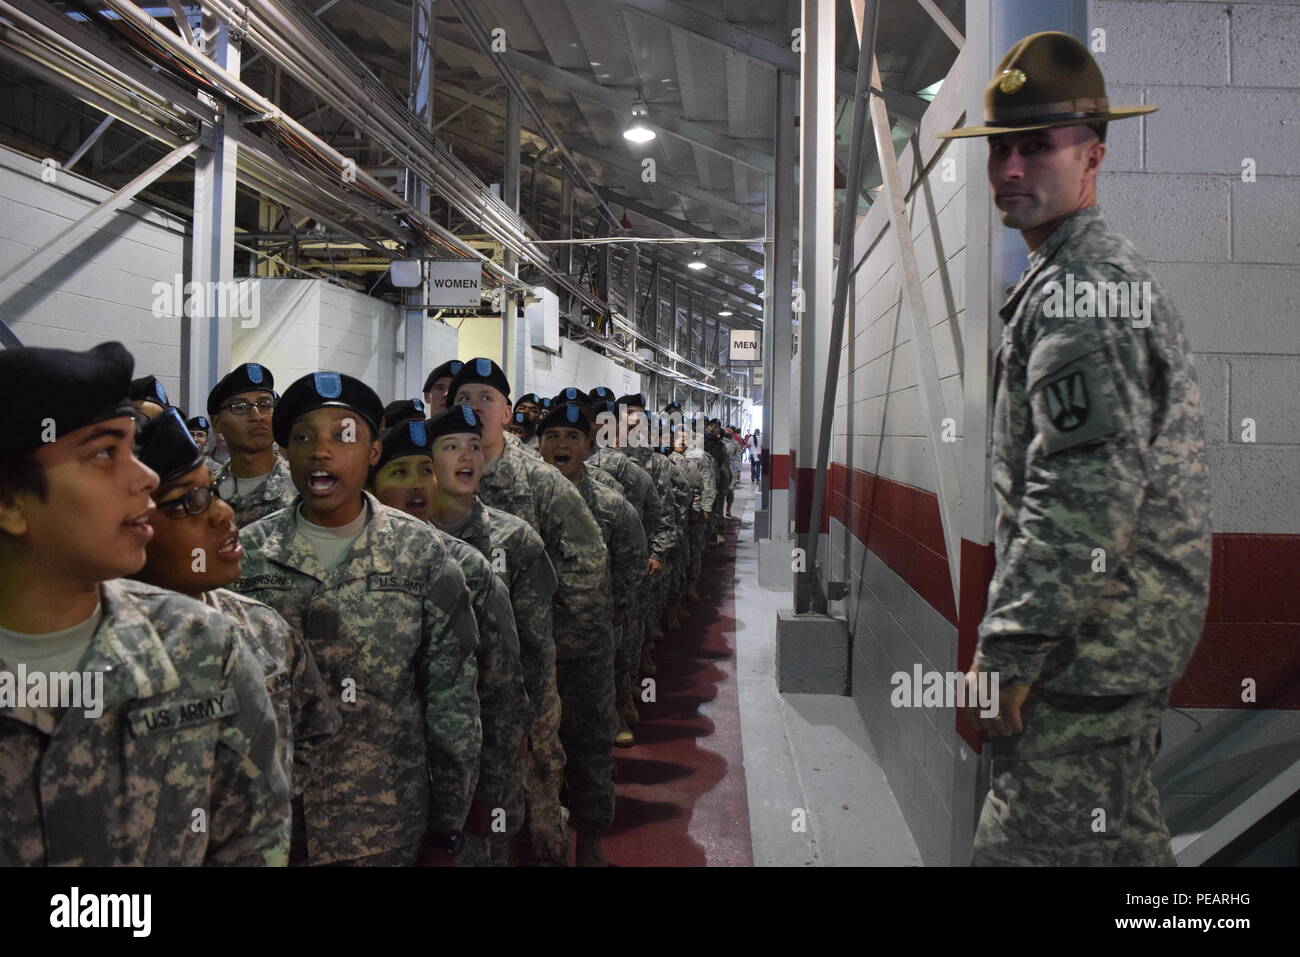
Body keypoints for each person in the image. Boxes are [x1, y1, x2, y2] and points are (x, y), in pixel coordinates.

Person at [938, 31, 1212, 866]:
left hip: (1086, 652)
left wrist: (1011, 648)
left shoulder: (1085, 295)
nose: (1011, 169)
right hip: (1103, 645)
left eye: (1037, 147)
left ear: (1092, 154)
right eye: (1000, 148)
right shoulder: (1071, 280)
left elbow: (1082, 500)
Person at [0, 341, 290, 865]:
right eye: (104, 454)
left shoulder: (201, 646)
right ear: (11, 503)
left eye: (132, 452)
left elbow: (253, 843)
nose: (146, 478)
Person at [230, 370, 482, 866]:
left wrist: (449, 825)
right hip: (273, 825)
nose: (321, 452)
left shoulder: (420, 553)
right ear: (286, 454)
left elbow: (451, 699)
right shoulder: (248, 555)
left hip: (384, 821)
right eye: (303, 438)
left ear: (371, 453)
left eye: (343, 436)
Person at [448, 358, 613, 867]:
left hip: (547, 657)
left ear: (505, 409)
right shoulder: (436, 474)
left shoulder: (540, 482)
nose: (473, 408)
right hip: (463, 665)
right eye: (463, 399)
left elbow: (588, 564)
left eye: (486, 398)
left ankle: (583, 845)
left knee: (554, 760)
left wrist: (549, 637)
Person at [131, 409, 339, 810]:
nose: (223, 514)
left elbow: (317, 727)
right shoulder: (103, 652)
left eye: (213, 492)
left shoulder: (260, 625)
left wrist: (261, 811)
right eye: (189, 503)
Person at [367, 416, 528, 868]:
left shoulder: (468, 568)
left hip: (449, 786)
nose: (418, 485)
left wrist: (484, 792)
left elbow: (501, 692)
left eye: (425, 470)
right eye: (400, 473)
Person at [424, 404, 564, 867]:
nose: (465, 456)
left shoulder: (515, 539)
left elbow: (535, 644)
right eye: (449, 447)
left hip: (496, 721)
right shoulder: (408, 540)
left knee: (493, 833)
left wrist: (527, 724)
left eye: (472, 446)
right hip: (425, 728)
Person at [538, 401, 647, 753]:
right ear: (539, 445)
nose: (561, 445)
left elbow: (631, 558)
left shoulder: (609, 504)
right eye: (551, 436)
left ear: (588, 445)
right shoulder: (518, 501)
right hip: (533, 636)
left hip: (589, 638)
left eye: (572, 436)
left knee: (589, 734)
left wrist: (619, 604)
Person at [209, 363, 295, 527]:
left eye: (265, 405)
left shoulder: (302, 487)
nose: (257, 416)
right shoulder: (206, 493)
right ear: (217, 423)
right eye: (240, 407)